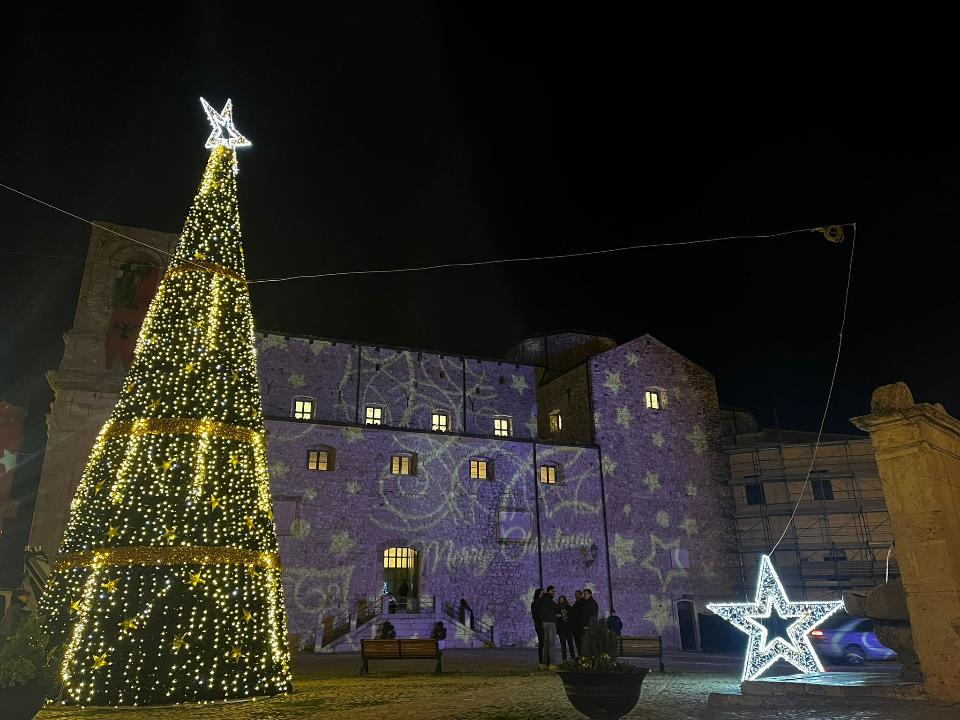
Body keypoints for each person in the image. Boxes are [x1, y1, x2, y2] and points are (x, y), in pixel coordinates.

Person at [538, 585, 559, 670]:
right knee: (552, 644)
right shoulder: (548, 600)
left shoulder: (542, 600)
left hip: (544, 623)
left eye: (554, 591)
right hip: (550, 623)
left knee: (546, 644)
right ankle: (552, 664)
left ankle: (544, 664)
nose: (554, 593)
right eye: (553, 591)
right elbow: (556, 607)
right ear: (549, 591)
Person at [556, 595, 576, 662]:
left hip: (568, 629)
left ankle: (573, 657)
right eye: (560, 599)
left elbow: (571, 617)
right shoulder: (557, 608)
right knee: (563, 646)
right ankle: (564, 659)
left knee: (570, 644)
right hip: (561, 629)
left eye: (562, 599)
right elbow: (557, 619)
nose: (561, 600)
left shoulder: (568, 607)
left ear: (565, 600)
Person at [531, 588, 544, 667]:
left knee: (545, 643)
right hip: (539, 625)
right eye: (542, 593)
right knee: (542, 643)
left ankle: (545, 661)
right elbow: (535, 616)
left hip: (544, 625)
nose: (543, 595)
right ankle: (541, 661)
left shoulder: (543, 603)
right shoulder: (535, 603)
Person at [570, 589, 585, 657]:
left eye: (578, 595)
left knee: (582, 645)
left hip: (581, 628)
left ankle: (584, 660)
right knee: (578, 645)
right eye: (575, 595)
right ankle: (581, 658)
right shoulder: (575, 604)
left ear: (581, 595)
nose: (576, 596)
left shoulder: (584, 604)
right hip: (575, 629)